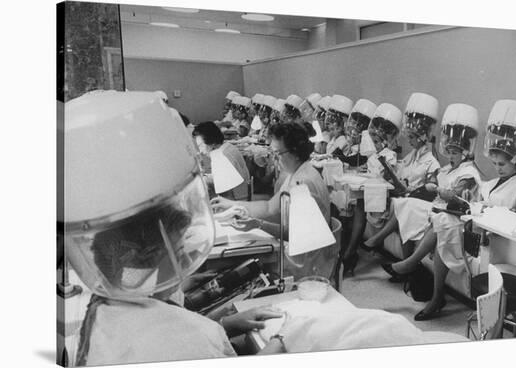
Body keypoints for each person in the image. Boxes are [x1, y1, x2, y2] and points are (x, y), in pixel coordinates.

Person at [61, 91, 292, 366]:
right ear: (154, 254)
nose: (184, 256)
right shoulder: (184, 339)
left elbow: (163, 316)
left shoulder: (100, 303)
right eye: (179, 247)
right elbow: (176, 337)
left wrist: (226, 324)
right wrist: (278, 346)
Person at [415, 99, 516, 321]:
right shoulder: (493, 183)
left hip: (494, 239)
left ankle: (433, 293)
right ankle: (434, 294)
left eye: (502, 165)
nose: (498, 169)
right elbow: (479, 200)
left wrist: (486, 209)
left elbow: (512, 217)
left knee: (444, 224)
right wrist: (471, 200)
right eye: (495, 164)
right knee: (444, 223)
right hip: (476, 227)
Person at [372, 103, 482, 281]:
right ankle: (402, 260)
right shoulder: (446, 169)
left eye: (455, 153)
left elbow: (453, 194)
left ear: (465, 153)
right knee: (404, 204)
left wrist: (436, 188)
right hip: (437, 207)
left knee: (414, 208)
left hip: (453, 215)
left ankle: (405, 261)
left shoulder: (468, 173)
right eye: (450, 152)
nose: (451, 156)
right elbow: (430, 185)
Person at [211, 122, 334, 280]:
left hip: (304, 264)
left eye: (278, 153)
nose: (274, 159)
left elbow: (294, 234)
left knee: (236, 268)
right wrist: (232, 204)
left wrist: (258, 224)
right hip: (301, 251)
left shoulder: (303, 183)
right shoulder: (296, 172)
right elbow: (269, 207)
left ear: (295, 152)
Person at [340, 102, 403, 275]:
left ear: (386, 141)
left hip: (385, 195)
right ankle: (348, 249)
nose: (374, 145)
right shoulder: (375, 155)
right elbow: (370, 169)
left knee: (359, 204)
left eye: (376, 142)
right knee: (354, 201)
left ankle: (350, 251)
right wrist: (362, 171)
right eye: (373, 141)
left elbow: (388, 178)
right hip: (372, 191)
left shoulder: (389, 156)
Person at [192, 121, 251, 200]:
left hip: (237, 200)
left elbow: (226, 196)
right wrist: (207, 178)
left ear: (211, 142)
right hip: (243, 192)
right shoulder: (227, 147)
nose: (200, 151)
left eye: (201, 146)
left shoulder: (220, 157)